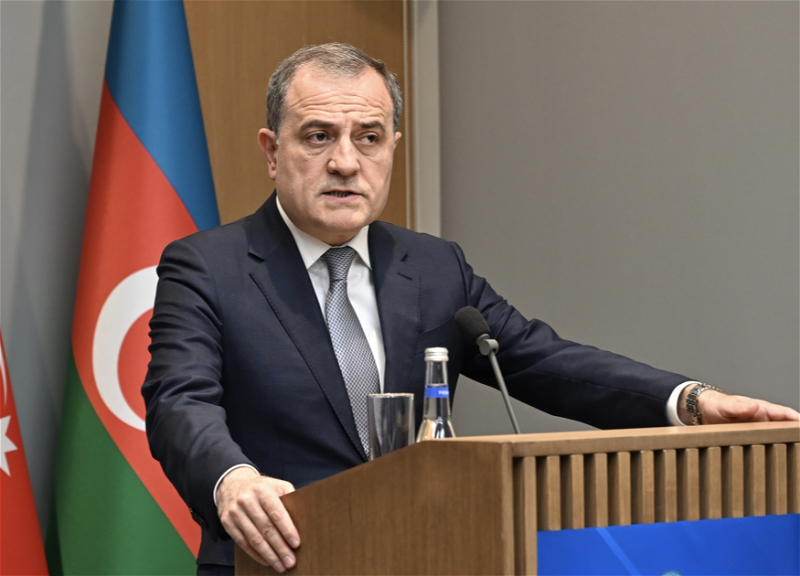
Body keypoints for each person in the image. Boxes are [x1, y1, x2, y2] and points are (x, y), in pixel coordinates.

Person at [142, 43, 799, 576]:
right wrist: (233, 480)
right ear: (271, 151)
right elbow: (179, 402)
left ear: (393, 147)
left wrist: (691, 402)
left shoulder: (433, 266)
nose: (345, 162)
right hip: (279, 562)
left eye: (369, 138)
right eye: (319, 136)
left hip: (429, 557)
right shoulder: (208, 266)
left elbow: (546, 362)